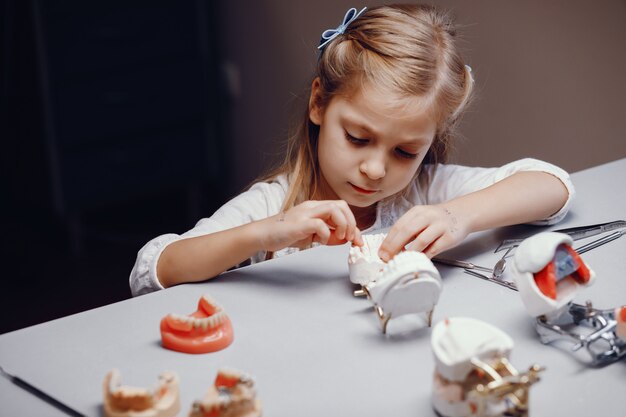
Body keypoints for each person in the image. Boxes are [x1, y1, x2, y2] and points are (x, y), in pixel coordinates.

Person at [130, 4, 573, 296]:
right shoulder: (275, 206)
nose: (376, 169)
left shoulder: (424, 192)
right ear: (319, 102)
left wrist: (459, 217)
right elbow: (152, 273)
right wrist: (266, 232)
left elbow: (553, 185)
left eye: (404, 152)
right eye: (358, 138)